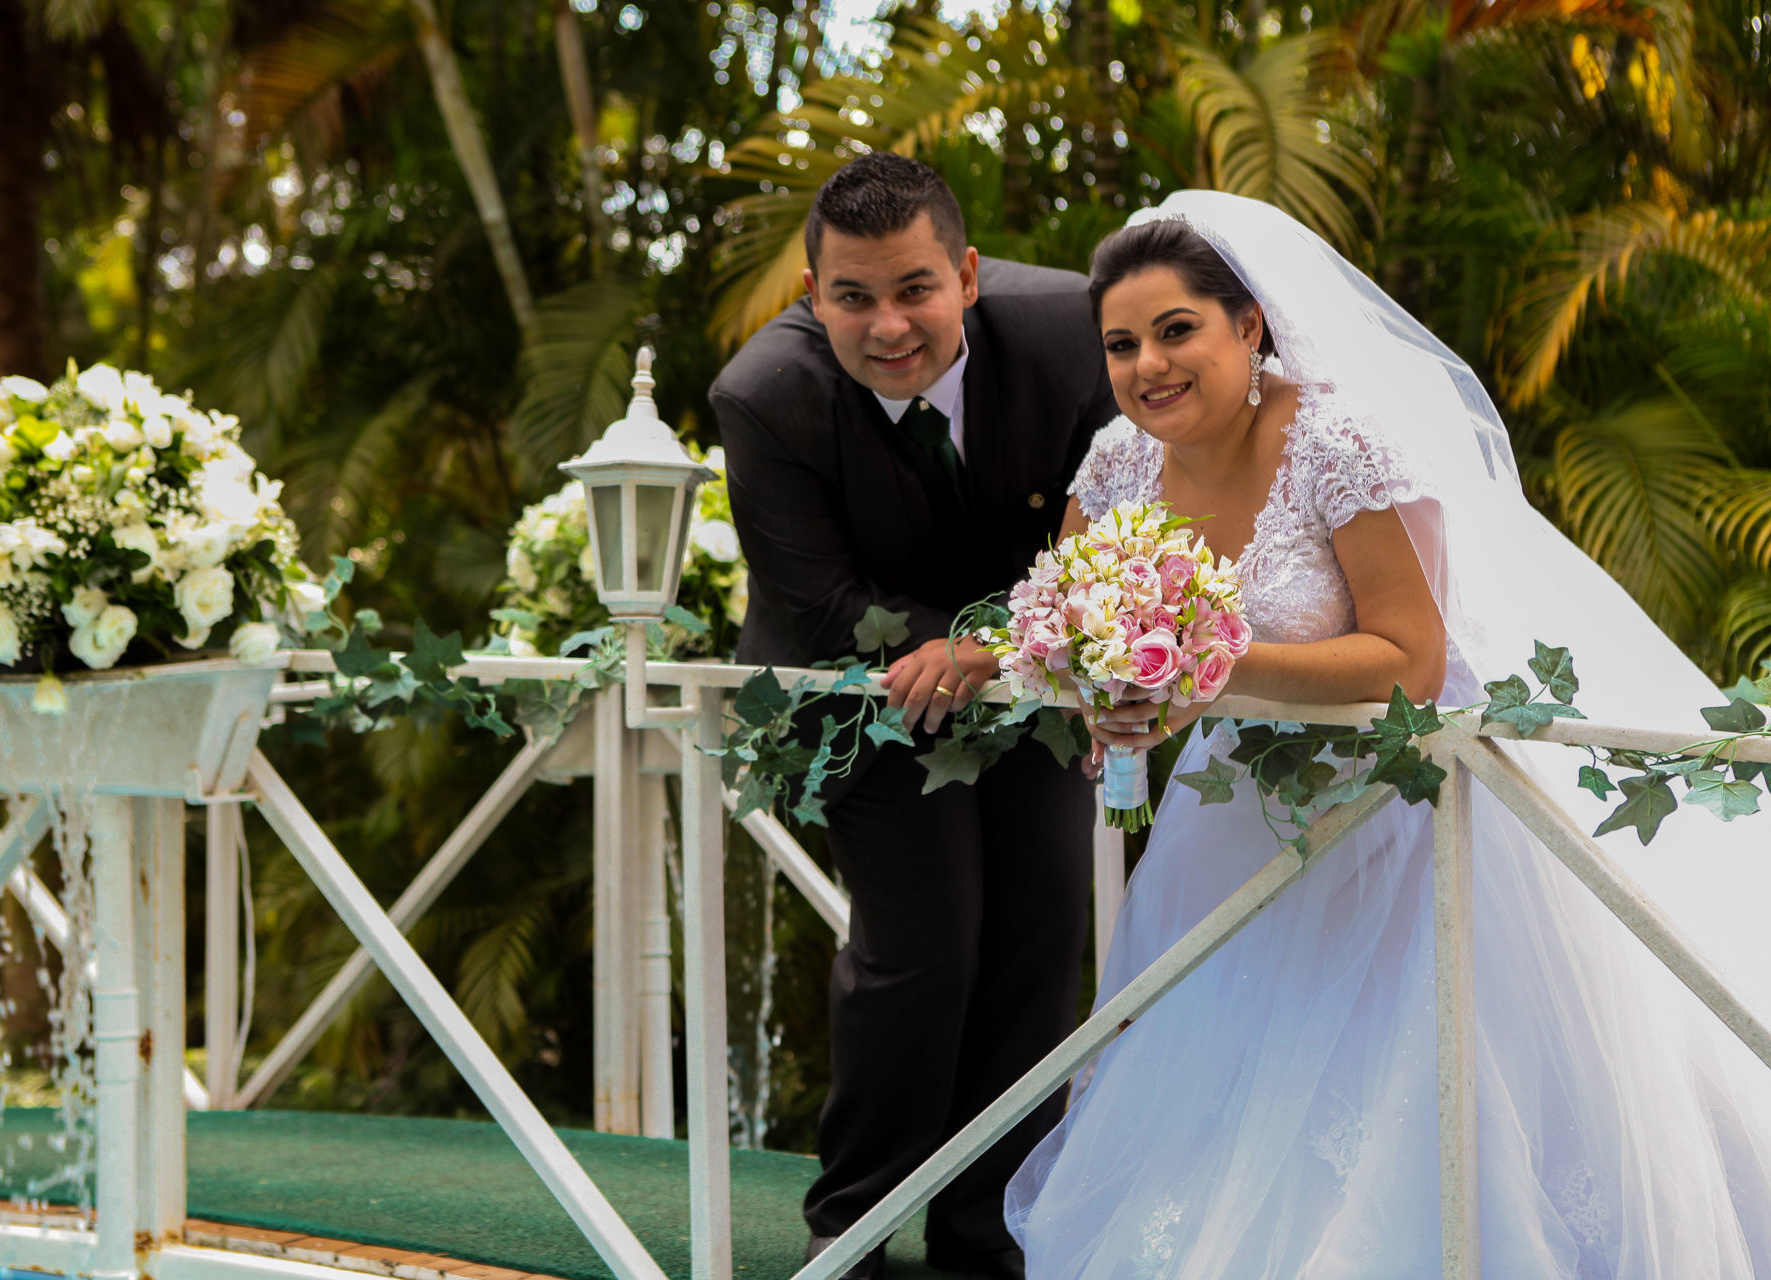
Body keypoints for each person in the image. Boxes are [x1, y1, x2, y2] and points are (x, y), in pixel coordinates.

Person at [1005, 190, 1771, 1277]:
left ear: (1248, 326)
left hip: (1413, 802)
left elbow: (1408, 654)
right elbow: (1088, 618)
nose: (1148, 366)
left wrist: (1204, 668)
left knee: (1398, 1077)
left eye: (1177, 330)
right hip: (1239, 814)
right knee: (1227, 1067)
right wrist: (1106, 686)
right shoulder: (1117, 462)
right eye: (1122, 344)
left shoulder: (1338, 442)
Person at [710, 152, 1119, 1280]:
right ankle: (851, 1225)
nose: (888, 324)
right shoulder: (763, 394)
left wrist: (1011, 648)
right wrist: (955, 647)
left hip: (1029, 677)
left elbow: (1108, 530)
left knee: (1040, 943)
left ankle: (989, 1231)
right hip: (861, 694)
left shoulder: (1075, 338)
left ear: (970, 275)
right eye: (853, 296)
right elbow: (823, 601)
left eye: (914, 289)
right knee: (925, 945)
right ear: (811, 296)